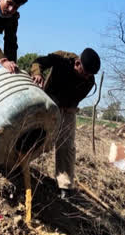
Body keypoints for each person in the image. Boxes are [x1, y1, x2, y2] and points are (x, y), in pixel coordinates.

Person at [30, 48, 101, 198]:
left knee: (67, 145)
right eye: (86, 72)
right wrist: (37, 73)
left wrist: (65, 109)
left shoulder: (89, 81)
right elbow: (38, 62)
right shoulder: (61, 58)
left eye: (90, 75)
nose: (87, 77)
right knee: (38, 135)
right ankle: (21, 163)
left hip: (68, 107)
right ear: (77, 63)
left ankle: (65, 185)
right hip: (49, 99)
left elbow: (75, 99)